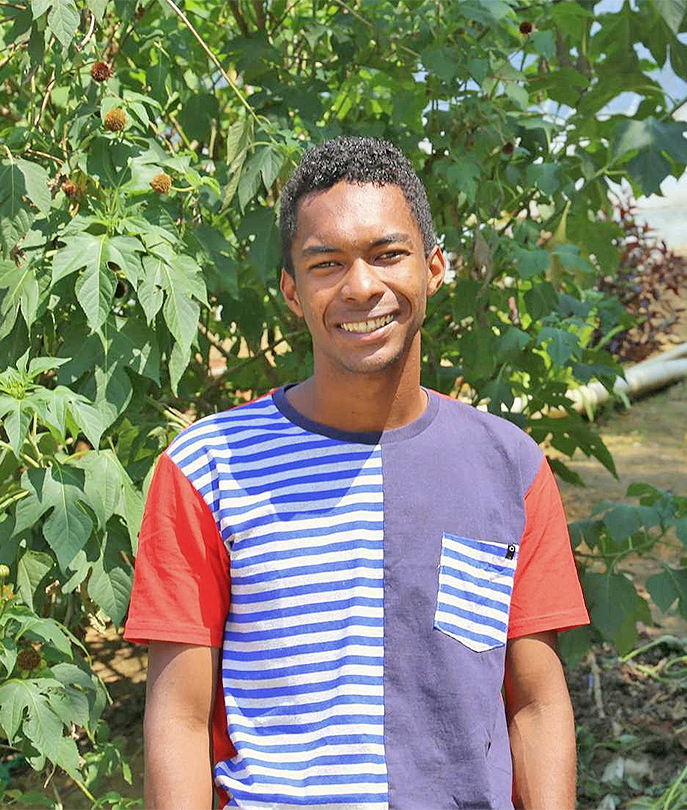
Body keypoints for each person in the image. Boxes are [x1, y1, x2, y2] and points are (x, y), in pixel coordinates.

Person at [124, 136, 589, 809]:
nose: (362, 286)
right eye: (327, 264)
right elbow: (179, 718)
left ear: (434, 268)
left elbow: (537, 705)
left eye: (388, 254)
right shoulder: (208, 468)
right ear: (292, 291)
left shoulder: (509, 467)